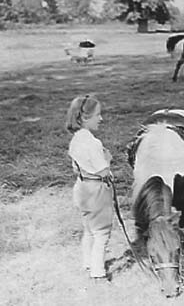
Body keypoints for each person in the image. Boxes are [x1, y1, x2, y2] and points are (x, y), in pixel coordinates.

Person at [66, 94, 113, 281]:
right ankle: (98, 272)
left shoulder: (76, 139)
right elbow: (103, 171)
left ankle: (87, 262)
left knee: (88, 230)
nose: (101, 119)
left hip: (82, 188)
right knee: (101, 233)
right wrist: (108, 159)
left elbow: (75, 167)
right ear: (85, 118)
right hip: (96, 192)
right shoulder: (93, 143)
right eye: (98, 115)